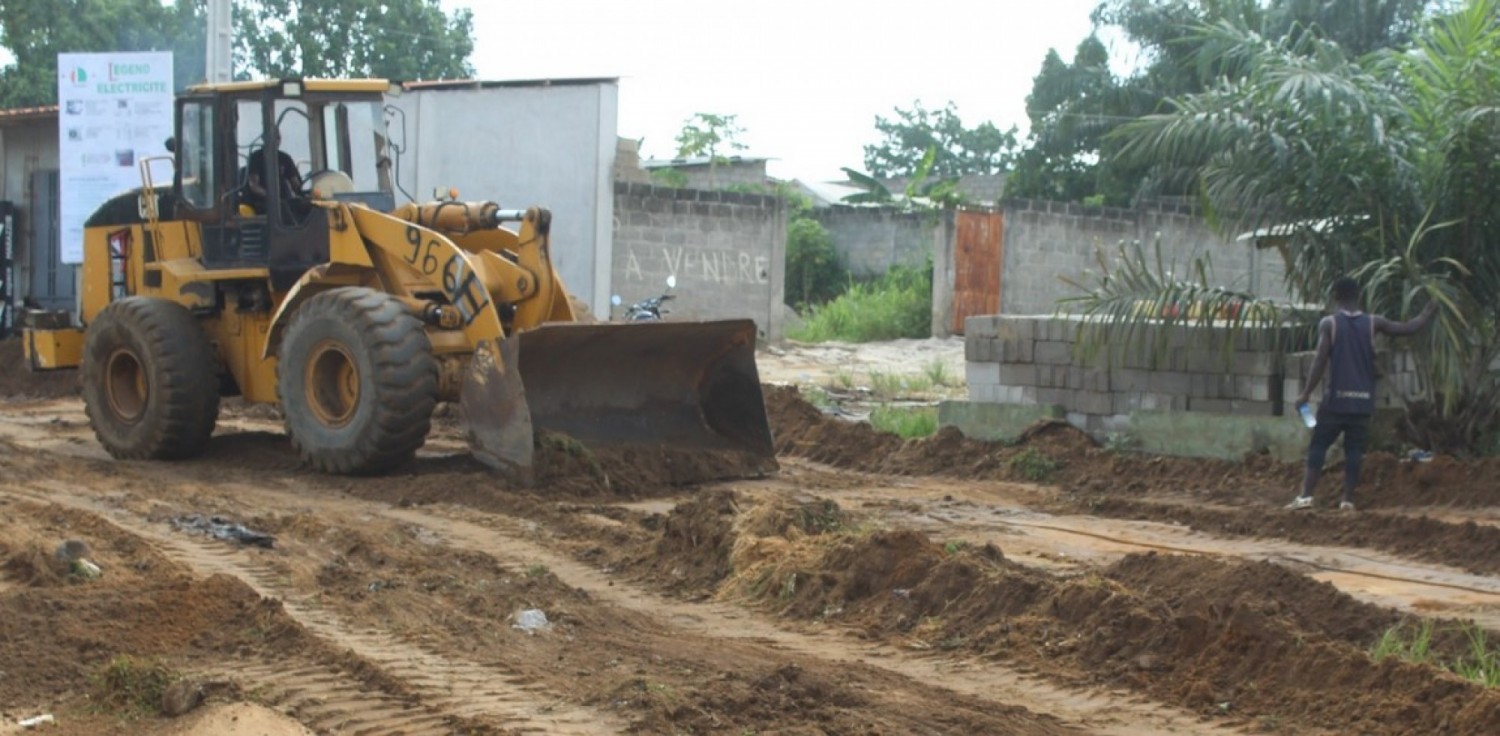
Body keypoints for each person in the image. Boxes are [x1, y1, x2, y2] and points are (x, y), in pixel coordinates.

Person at [1286, 277, 1439, 511]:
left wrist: (1305, 394)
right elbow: (1408, 328)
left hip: (1336, 402)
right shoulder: (1373, 323)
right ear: (1358, 297)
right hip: (1362, 404)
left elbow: (1319, 361)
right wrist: (1428, 312)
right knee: (1354, 451)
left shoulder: (1330, 324)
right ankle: (1347, 500)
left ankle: (1306, 497)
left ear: (1335, 297)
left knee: (1318, 446)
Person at [243, 146, 303, 215]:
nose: (277, 139)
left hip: (284, 201)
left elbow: (295, 182)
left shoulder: (284, 157)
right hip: (261, 202)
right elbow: (254, 186)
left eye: (278, 137)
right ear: (264, 138)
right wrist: (272, 197)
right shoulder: (256, 157)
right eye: (275, 136)